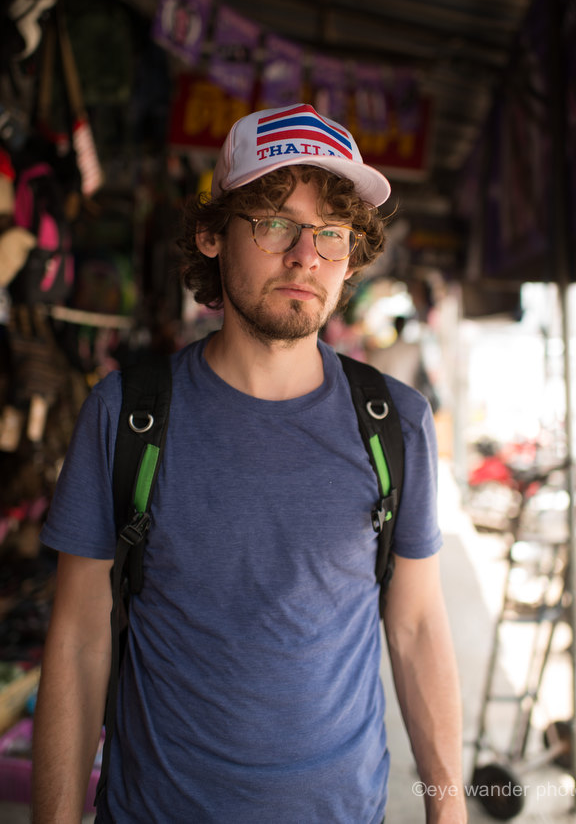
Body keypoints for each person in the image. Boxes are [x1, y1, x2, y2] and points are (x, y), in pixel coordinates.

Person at [32, 103, 466, 823]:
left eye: (332, 234)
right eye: (274, 223)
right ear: (210, 234)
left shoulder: (394, 424)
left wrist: (448, 814)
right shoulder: (128, 415)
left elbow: (416, 627)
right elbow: (77, 642)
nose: (305, 256)